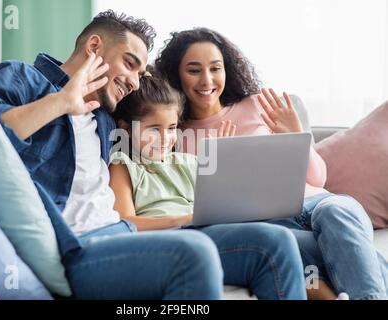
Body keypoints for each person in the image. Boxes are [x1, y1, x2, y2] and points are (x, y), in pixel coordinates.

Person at [0, 11, 225, 300]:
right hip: (81, 247)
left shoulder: (106, 118)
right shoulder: (22, 78)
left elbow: (162, 121)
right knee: (193, 253)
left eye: (140, 74)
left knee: (269, 239)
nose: (135, 83)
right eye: (129, 64)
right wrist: (60, 102)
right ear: (93, 47)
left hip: (123, 234)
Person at [155, 27, 388, 300]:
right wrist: (219, 162)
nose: (207, 79)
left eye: (215, 68)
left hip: (316, 203)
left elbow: (318, 178)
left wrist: (297, 135)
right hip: (272, 225)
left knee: (337, 213)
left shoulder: (257, 105)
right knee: (313, 250)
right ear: (176, 75)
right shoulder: (172, 135)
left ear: (226, 70)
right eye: (194, 70)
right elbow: (201, 206)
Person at [109, 72, 307, 300]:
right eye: (154, 129)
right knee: (275, 241)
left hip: (206, 231)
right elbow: (125, 223)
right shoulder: (123, 165)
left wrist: (227, 160)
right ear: (125, 129)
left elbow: (224, 202)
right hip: (173, 239)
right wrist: (183, 219)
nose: (165, 138)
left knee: (283, 233)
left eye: (172, 128)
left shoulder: (188, 162)